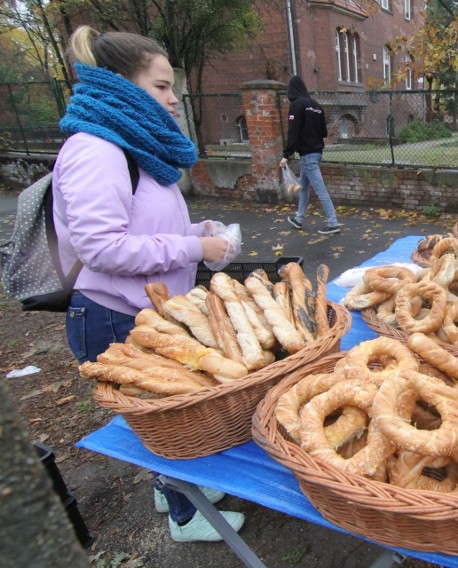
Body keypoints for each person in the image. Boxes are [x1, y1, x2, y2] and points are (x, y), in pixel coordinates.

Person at [53, 25, 245, 543]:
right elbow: (101, 248)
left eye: (173, 87)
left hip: (149, 311)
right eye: (161, 86)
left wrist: (197, 233)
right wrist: (191, 249)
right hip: (114, 316)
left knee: (167, 415)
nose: (174, 98)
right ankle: (187, 515)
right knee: (166, 420)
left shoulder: (134, 145)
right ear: (122, 86)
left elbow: (143, 228)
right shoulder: (96, 149)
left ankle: (173, 489)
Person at [279, 75, 341, 235]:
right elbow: (324, 132)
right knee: (303, 187)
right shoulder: (316, 105)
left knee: (320, 189)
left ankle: (333, 223)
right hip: (316, 153)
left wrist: (287, 154)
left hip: (307, 155)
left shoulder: (296, 105)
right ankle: (298, 219)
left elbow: (293, 132)